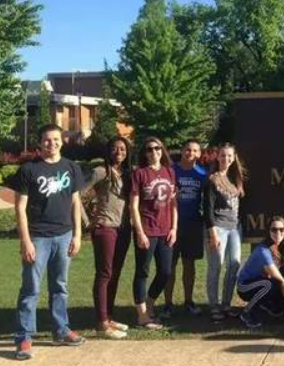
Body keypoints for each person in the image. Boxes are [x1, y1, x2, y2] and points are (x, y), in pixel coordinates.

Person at [12, 124, 86, 360]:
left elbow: (75, 203)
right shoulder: (29, 170)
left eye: (55, 139)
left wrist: (77, 235)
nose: (51, 143)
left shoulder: (71, 168)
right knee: (31, 289)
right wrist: (26, 241)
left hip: (64, 236)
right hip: (38, 237)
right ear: (40, 143)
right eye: (46, 140)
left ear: (62, 141)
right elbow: (20, 208)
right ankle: (24, 338)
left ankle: (61, 330)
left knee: (60, 286)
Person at [82, 136, 133, 339]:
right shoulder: (100, 171)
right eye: (115, 148)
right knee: (104, 274)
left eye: (123, 149)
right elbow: (76, 194)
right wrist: (87, 222)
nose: (119, 152)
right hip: (105, 228)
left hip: (123, 229)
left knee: (115, 273)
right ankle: (101, 323)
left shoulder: (128, 173)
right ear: (108, 151)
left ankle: (109, 317)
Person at [130, 137, 177, 329]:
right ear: (145, 153)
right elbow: (134, 205)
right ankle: (142, 316)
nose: (154, 152)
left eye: (157, 148)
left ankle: (149, 304)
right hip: (147, 229)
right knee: (142, 271)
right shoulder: (139, 173)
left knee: (165, 271)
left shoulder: (169, 172)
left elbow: (173, 203)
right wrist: (139, 232)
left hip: (166, 230)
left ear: (162, 150)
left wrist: (174, 228)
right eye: (149, 149)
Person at [162, 140, 206, 318]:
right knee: (169, 265)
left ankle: (189, 301)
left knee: (189, 264)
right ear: (182, 151)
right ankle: (167, 304)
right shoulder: (170, 171)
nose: (191, 153)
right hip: (171, 225)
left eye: (195, 150)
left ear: (199, 154)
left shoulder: (202, 173)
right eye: (188, 149)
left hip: (193, 224)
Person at [237, 216, 284, 328]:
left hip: (262, 282)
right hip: (244, 286)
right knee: (270, 284)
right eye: (274, 229)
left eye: (281, 229)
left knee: (276, 283)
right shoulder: (263, 250)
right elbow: (281, 281)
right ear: (268, 232)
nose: (278, 233)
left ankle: (266, 304)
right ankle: (247, 313)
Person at [204, 143, 246, 322]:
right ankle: (214, 306)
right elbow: (207, 209)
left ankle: (226, 305)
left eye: (229, 155)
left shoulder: (235, 178)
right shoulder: (212, 179)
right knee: (216, 267)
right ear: (217, 157)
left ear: (234, 158)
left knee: (234, 265)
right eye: (223, 155)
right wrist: (212, 234)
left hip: (235, 228)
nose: (226, 159)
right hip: (218, 228)